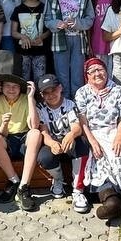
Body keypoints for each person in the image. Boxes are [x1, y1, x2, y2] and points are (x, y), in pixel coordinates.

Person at [76, 56, 121, 220]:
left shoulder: (117, 90)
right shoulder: (82, 92)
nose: (97, 74)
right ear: (87, 76)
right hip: (94, 133)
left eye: (101, 69)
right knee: (99, 157)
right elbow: (82, 119)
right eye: (93, 71)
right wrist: (92, 141)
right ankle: (111, 201)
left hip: (115, 129)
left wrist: (120, 135)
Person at [32, 73, 90, 211]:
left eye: (53, 90)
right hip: (53, 143)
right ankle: (58, 180)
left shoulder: (69, 104)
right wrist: (52, 143)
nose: (51, 95)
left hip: (70, 141)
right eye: (46, 92)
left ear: (60, 88)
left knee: (82, 145)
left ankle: (78, 190)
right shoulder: (41, 108)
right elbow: (44, 132)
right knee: (44, 158)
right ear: (41, 94)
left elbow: (76, 127)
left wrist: (71, 134)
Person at [0, 69, 39, 209]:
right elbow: (1, 134)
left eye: (15, 86)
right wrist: (4, 123)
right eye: (8, 86)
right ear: (2, 87)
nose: (11, 89)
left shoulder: (25, 98)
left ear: (20, 87)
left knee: (35, 133)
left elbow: (34, 125)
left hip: (24, 139)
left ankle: (24, 187)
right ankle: (14, 180)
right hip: (7, 140)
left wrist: (30, 98)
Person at [44, 0, 92, 99]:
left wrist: (77, 23)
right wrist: (56, 24)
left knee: (78, 75)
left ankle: (78, 105)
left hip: (78, 39)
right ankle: (64, 104)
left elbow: (90, 19)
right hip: (59, 40)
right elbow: (46, 19)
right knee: (62, 75)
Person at [11, 0, 50, 83]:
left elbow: (49, 30)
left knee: (40, 80)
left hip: (40, 52)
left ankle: (39, 99)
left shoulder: (44, 7)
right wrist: (23, 37)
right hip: (23, 52)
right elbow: (13, 32)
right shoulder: (18, 9)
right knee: (24, 80)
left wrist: (42, 37)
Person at [87, 0, 119, 78]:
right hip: (97, 42)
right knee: (100, 75)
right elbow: (89, 24)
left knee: (114, 75)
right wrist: (89, 45)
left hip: (115, 43)